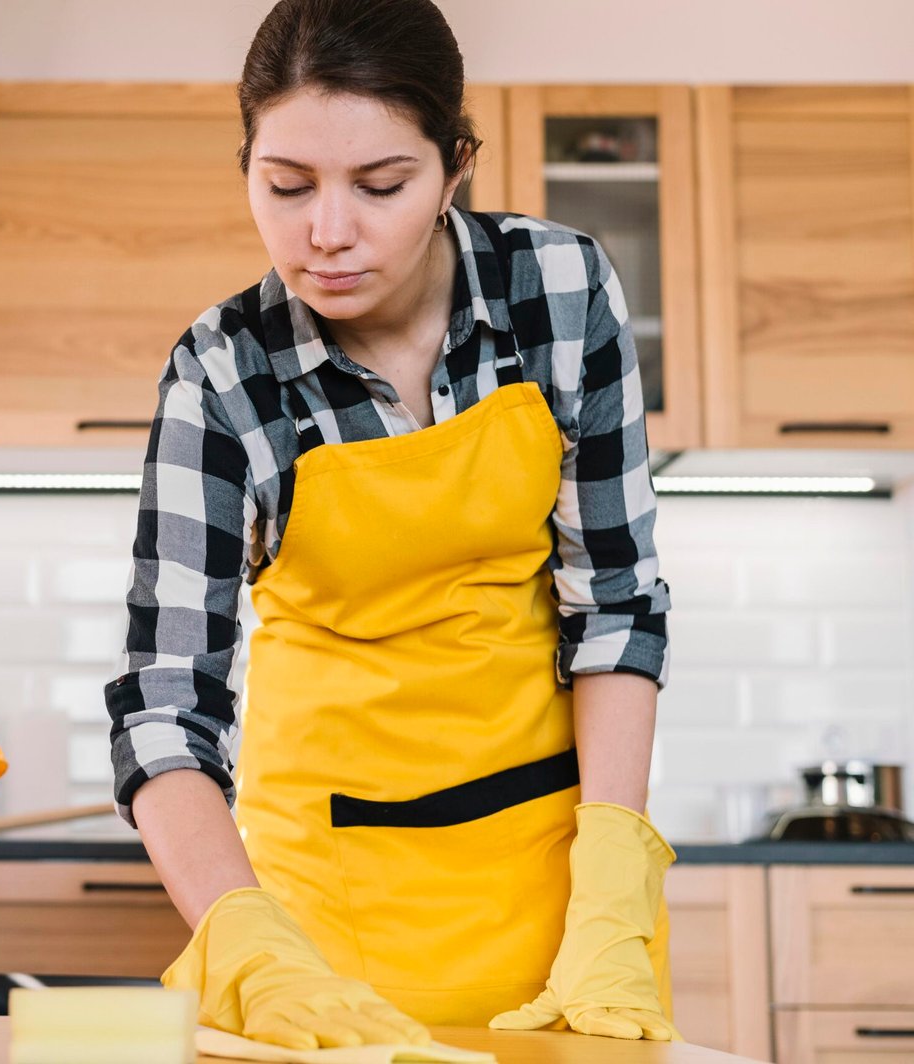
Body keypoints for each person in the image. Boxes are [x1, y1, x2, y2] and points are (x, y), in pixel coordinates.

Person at [105, 0, 679, 1051]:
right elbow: (163, 699)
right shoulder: (224, 370)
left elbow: (615, 602)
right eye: (284, 186)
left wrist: (611, 882)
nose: (325, 231)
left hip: (552, 888)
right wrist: (247, 942)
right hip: (319, 908)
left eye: (380, 186)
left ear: (454, 167)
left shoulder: (557, 290)